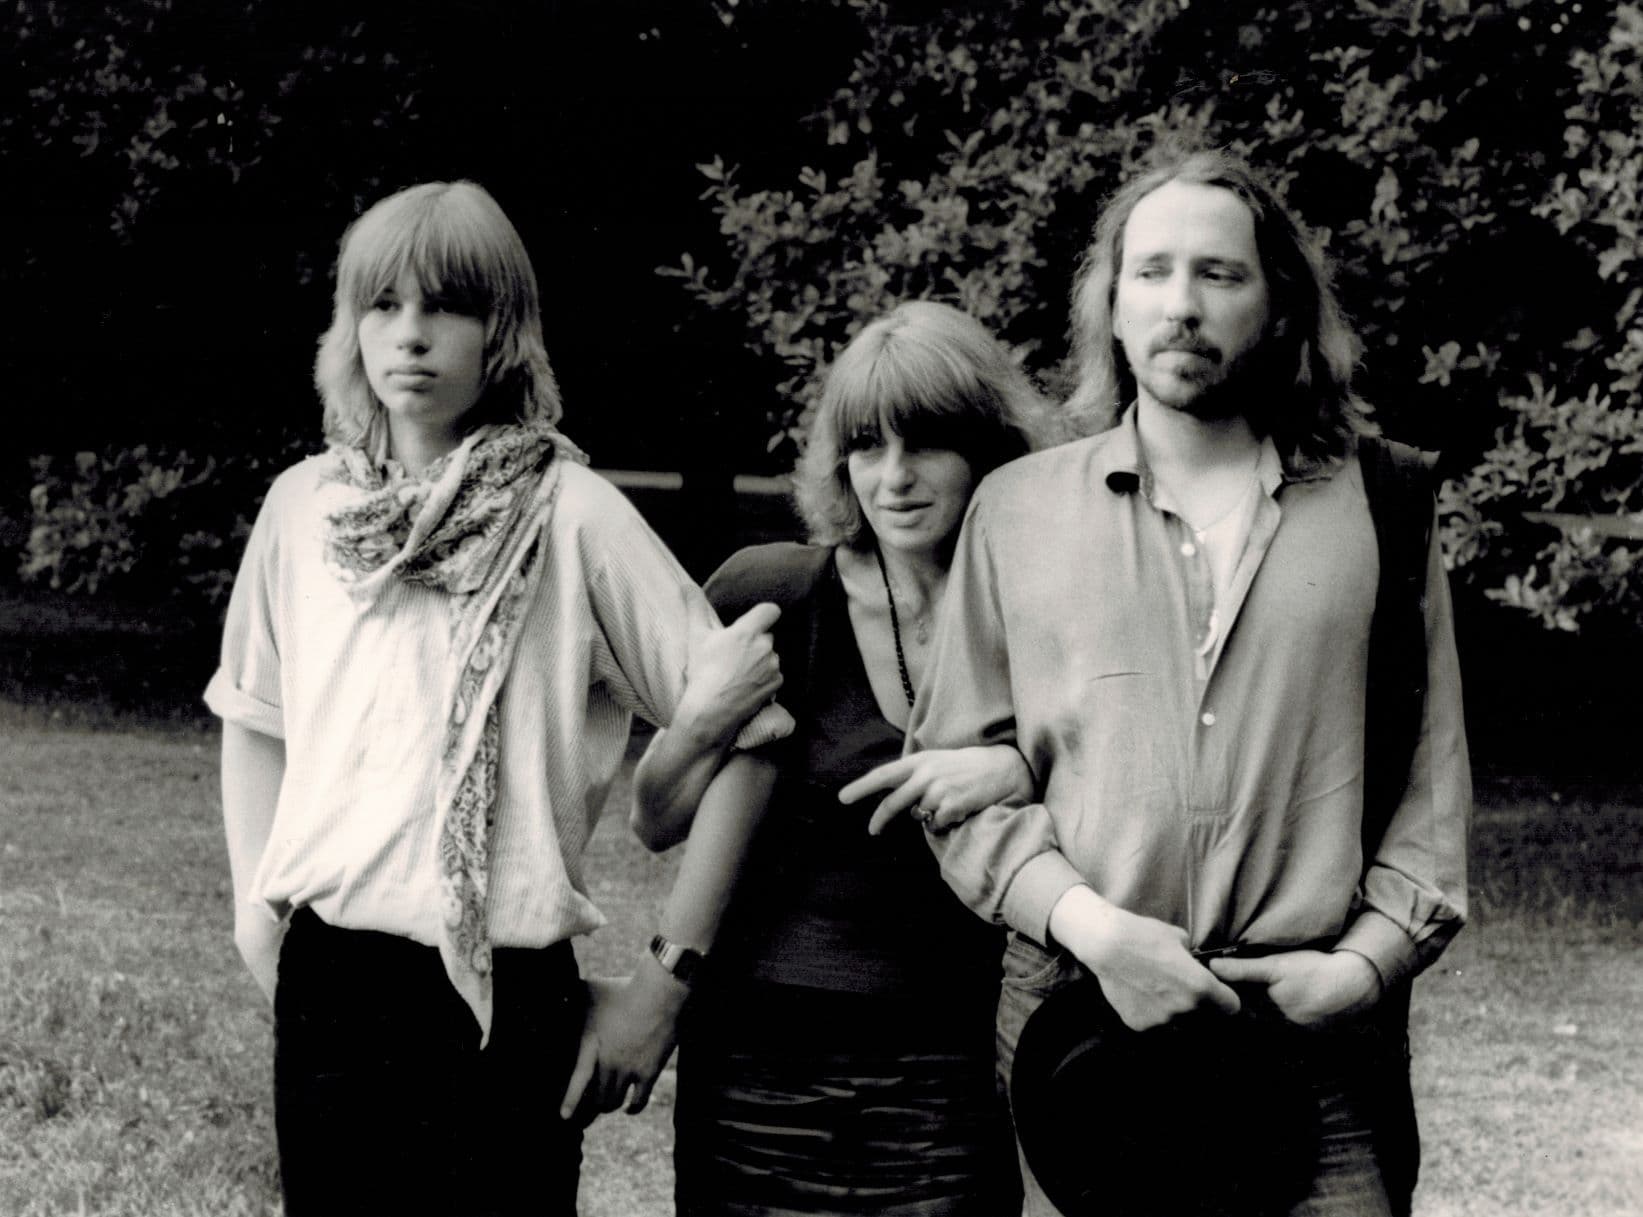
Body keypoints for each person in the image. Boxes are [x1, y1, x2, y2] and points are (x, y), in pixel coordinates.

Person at [206, 179, 790, 1217]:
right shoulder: (304, 509)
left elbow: (750, 732)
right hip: (333, 984)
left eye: (447, 306)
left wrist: (662, 988)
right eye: (383, 305)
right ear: (350, 327)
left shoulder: (571, 514)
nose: (411, 334)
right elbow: (256, 719)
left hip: (508, 997)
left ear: (502, 331)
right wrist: (259, 919)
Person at [908, 148, 1472, 1217]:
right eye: (1152, 271)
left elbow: (1430, 788)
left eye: (1218, 273)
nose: (1181, 304)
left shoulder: (1382, 501)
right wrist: (1091, 926)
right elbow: (954, 777)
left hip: (1308, 1032)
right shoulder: (1015, 510)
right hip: (1082, 1012)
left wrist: (1360, 967)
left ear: (1276, 307)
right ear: (1111, 308)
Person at [583, 301, 1051, 1216]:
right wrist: (700, 722)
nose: (894, 477)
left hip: (947, 1075)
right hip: (756, 1066)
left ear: (988, 448)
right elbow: (654, 820)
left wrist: (1017, 769)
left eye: (926, 443)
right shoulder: (776, 592)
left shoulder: (1041, 612)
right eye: (867, 445)